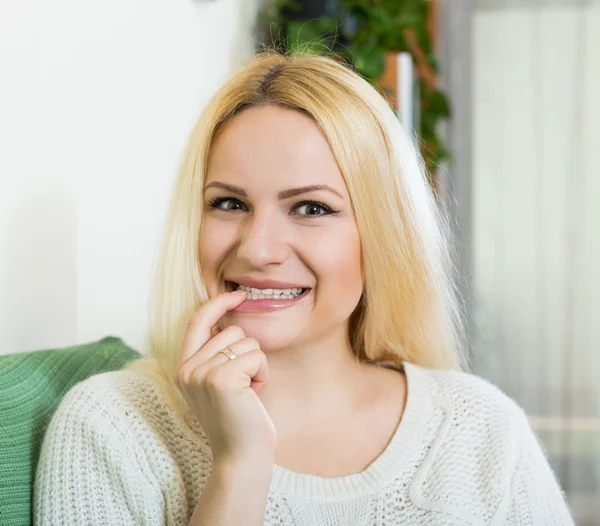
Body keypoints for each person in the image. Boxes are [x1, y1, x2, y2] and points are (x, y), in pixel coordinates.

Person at [33, 51, 574, 525]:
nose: (258, 248)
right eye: (229, 203)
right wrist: (239, 466)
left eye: (311, 208)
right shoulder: (110, 425)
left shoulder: (481, 429)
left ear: (383, 236)